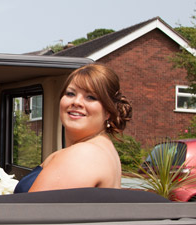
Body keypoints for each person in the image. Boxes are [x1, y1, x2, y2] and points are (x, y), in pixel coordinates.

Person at [14, 64, 132, 193]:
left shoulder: (84, 154)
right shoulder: (101, 148)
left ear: (108, 111)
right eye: (70, 94)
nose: (76, 102)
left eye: (91, 97)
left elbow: (30, 211)